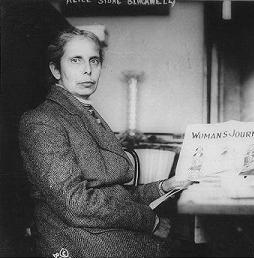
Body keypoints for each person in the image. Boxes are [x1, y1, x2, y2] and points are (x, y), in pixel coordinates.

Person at [19, 27, 190, 258]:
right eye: (76, 60)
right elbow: (76, 202)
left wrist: (164, 186)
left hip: (101, 231)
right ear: (56, 69)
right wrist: (151, 221)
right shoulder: (43, 121)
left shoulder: (85, 112)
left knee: (190, 241)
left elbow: (113, 194)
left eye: (94, 61)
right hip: (79, 241)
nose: (87, 70)